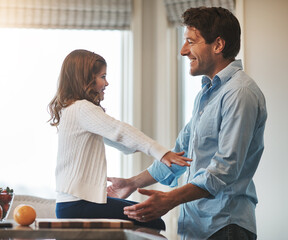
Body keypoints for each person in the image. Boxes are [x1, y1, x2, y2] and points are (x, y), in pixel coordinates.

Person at [107, 7, 267, 239]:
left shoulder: (240, 93)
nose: (183, 51)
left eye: (191, 42)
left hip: (226, 227)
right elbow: (180, 156)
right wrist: (131, 183)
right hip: (197, 227)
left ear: (218, 45)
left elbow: (225, 170)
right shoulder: (207, 94)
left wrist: (169, 200)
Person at [47, 49, 192, 230]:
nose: (106, 83)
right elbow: (120, 131)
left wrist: (139, 147)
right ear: (85, 80)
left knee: (151, 222)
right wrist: (162, 153)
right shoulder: (83, 109)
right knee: (154, 221)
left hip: (70, 205)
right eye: (102, 77)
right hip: (80, 205)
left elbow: (119, 140)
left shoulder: (71, 110)